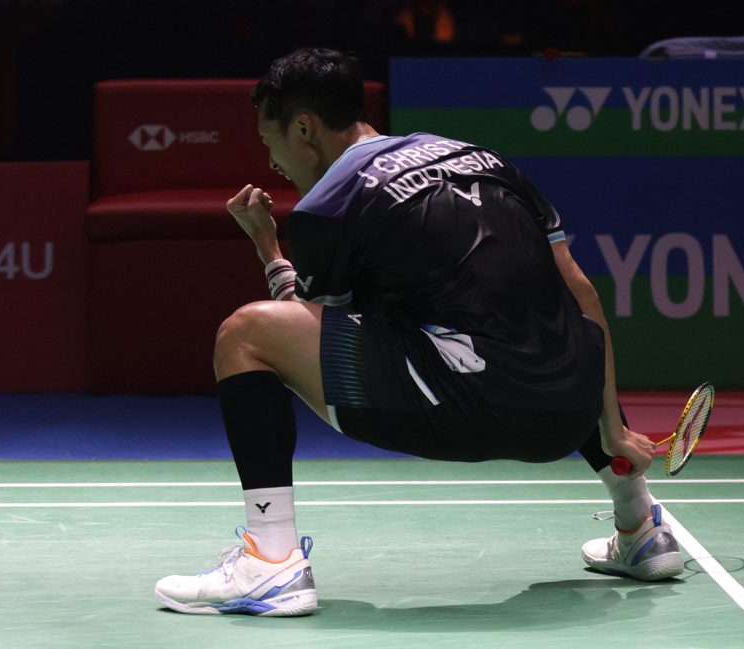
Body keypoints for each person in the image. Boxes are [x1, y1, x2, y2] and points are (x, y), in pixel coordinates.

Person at [154, 47, 683, 617]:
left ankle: (270, 560)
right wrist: (613, 429)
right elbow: (582, 296)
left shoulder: (329, 204)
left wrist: (268, 249)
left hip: (462, 415)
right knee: (538, 320)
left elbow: (308, 329)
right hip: (564, 419)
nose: (272, 160)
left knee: (245, 334)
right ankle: (641, 527)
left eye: (269, 140)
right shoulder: (487, 160)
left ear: (303, 128)